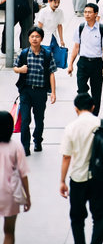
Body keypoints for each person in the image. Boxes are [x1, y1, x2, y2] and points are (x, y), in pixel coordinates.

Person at [60, 93, 103, 244]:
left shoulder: (71, 128)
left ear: (76, 109)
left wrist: (62, 181)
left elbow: (66, 157)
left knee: (77, 218)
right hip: (99, 178)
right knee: (100, 216)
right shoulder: (101, 124)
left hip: (78, 178)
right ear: (93, 107)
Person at [13, 26, 57, 155]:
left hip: (40, 92)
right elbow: (15, 67)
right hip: (26, 91)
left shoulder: (47, 54)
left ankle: (38, 140)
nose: (34, 39)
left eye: (37, 36)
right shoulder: (24, 53)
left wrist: (53, 92)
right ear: (29, 38)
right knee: (25, 119)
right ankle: (25, 147)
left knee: (39, 119)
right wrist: (21, 70)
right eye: (32, 36)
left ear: (41, 39)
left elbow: (51, 73)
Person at [67, 3, 103, 116]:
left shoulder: (102, 29)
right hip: (83, 63)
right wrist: (71, 64)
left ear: (96, 14)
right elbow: (76, 47)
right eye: (85, 12)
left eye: (89, 12)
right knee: (81, 90)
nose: (86, 14)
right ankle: (83, 114)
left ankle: (94, 117)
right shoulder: (80, 28)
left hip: (97, 64)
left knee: (96, 93)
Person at [0, 111, 31, 244]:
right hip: (9, 193)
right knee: (9, 232)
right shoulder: (16, 147)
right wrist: (27, 197)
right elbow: (23, 174)